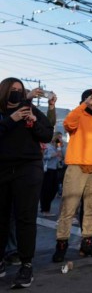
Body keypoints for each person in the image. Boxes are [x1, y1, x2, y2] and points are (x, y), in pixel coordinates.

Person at [0, 78, 53, 288]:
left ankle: (26, 264)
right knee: (2, 216)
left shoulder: (28, 108)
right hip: (2, 169)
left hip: (28, 169)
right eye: (12, 90)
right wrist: (11, 119)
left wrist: (32, 120)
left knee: (25, 217)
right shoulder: (4, 113)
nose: (16, 93)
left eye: (19, 91)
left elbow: (47, 134)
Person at [52, 89, 92, 263]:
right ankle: (61, 245)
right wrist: (84, 105)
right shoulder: (77, 115)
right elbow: (67, 125)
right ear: (84, 100)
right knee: (68, 208)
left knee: (91, 209)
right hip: (77, 166)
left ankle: (86, 242)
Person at [40, 132, 64, 217]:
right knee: (46, 190)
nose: (61, 139)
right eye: (59, 137)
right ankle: (45, 210)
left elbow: (60, 158)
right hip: (47, 169)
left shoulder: (57, 147)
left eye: (61, 137)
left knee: (54, 189)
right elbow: (42, 157)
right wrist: (52, 155)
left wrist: (60, 154)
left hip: (55, 169)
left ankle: (46, 207)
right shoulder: (48, 146)